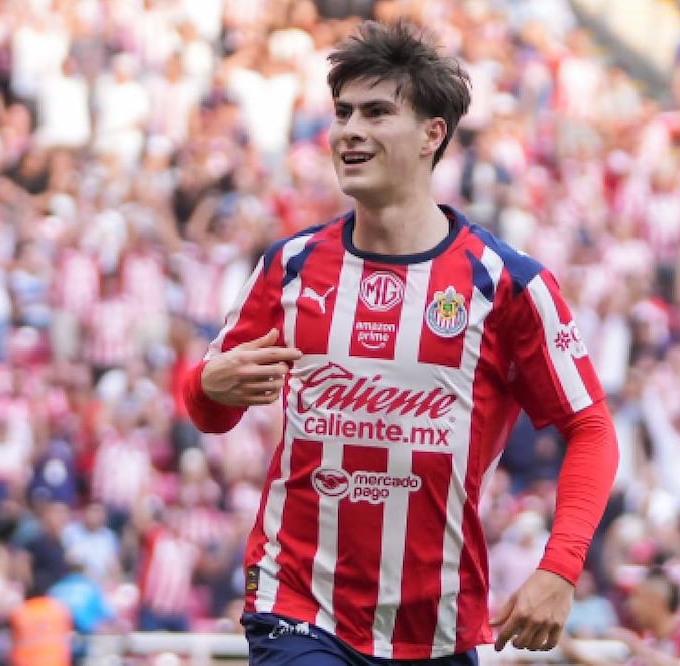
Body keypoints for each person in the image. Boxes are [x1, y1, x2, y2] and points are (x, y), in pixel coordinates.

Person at [181, 20, 618, 665]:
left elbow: (590, 426)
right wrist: (204, 384)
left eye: (377, 112)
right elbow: (212, 411)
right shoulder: (292, 266)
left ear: (431, 134)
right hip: (299, 606)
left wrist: (559, 568)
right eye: (342, 113)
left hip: (435, 627)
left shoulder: (506, 285)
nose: (350, 129)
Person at [559, 567, 680, 666]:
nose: (629, 605)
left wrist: (639, 649)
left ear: (655, 601)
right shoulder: (651, 642)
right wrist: (575, 652)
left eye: (636, 596)